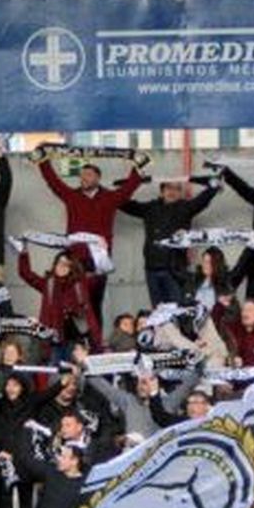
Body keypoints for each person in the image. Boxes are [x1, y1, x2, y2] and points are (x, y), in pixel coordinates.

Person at [35, 152, 144, 317]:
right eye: (82, 175)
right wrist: (43, 161)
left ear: (98, 178)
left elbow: (128, 188)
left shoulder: (110, 198)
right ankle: (74, 333)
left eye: (88, 175)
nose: (84, 178)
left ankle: (95, 334)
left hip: (99, 260)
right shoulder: (72, 196)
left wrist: (138, 165)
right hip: (74, 258)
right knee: (71, 302)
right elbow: (53, 182)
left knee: (94, 302)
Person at [120, 176, 221, 306]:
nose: (172, 192)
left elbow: (208, 192)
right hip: (152, 269)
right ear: (162, 191)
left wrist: (193, 179)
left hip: (176, 271)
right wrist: (129, 184)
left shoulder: (186, 207)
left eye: (177, 189)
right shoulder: (150, 208)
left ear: (180, 193)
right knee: (158, 311)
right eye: (169, 188)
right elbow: (121, 202)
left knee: (178, 309)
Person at [16, 247, 101, 357]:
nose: (61, 267)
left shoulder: (80, 284)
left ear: (72, 267)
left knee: (76, 367)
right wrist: (23, 253)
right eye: (59, 263)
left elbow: (100, 273)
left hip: (77, 342)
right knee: (54, 366)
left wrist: (99, 251)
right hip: (55, 343)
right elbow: (26, 273)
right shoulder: (49, 284)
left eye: (66, 264)